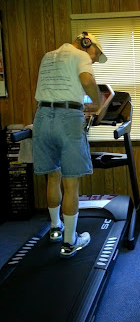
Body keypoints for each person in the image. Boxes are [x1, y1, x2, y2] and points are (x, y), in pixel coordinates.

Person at [32, 32, 107, 258]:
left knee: (53, 177)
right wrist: (99, 102)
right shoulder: (80, 55)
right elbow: (87, 81)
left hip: (42, 117)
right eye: (96, 54)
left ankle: (56, 229)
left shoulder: (48, 56)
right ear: (87, 43)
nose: (94, 60)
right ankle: (70, 241)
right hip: (68, 118)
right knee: (71, 183)